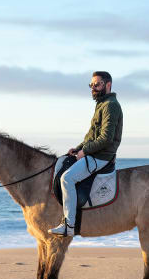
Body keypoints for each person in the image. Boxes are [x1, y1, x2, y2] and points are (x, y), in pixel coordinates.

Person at [48, 71, 123, 236]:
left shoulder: (111, 105)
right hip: (94, 153)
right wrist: (78, 148)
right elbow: (91, 135)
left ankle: (69, 225)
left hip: (101, 156)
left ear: (108, 85)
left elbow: (106, 138)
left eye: (97, 84)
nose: (93, 88)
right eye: (91, 85)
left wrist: (85, 151)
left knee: (67, 178)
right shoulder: (102, 104)